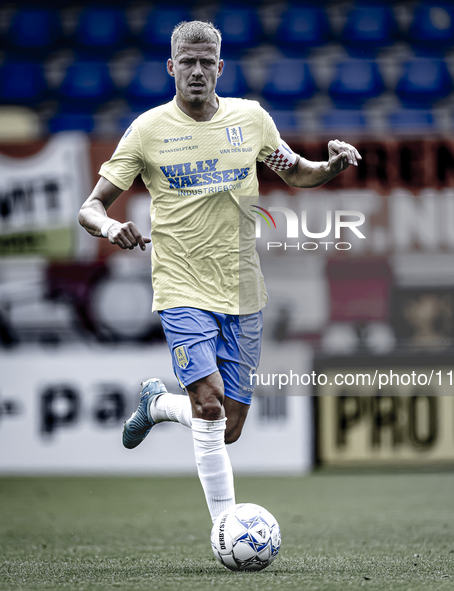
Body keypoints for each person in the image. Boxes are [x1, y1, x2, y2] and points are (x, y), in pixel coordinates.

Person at [78, 21, 361, 523]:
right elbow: (91, 206)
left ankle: (157, 405)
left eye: (206, 62)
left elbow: (293, 169)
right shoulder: (147, 130)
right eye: (187, 61)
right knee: (208, 407)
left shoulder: (250, 119)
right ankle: (226, 530)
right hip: (180, 286)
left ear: (220, 67)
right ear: (171, 67)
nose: (197, 71)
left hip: (242, 290)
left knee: (228, 426)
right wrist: (108, 228)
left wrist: (330, 169)